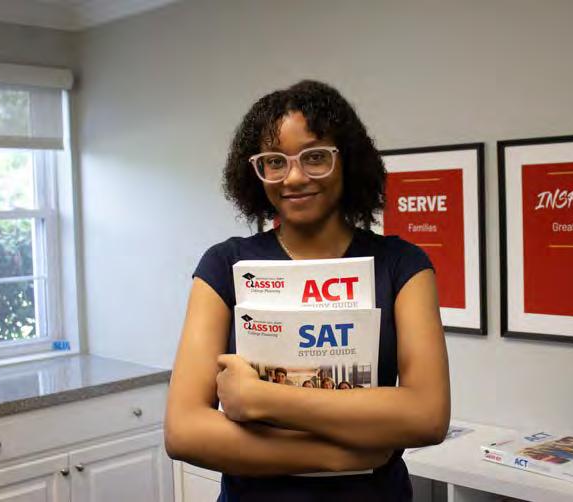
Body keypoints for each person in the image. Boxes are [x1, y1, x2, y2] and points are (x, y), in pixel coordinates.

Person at [164, 80, 450, 501]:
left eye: (315, 157)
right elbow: (184, 431)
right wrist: (337, 456)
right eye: (274, 162)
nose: (294, 177)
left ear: (346, 160)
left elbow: (427, 416)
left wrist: (261, 397)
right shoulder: (224, 266)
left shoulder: (402, 265)